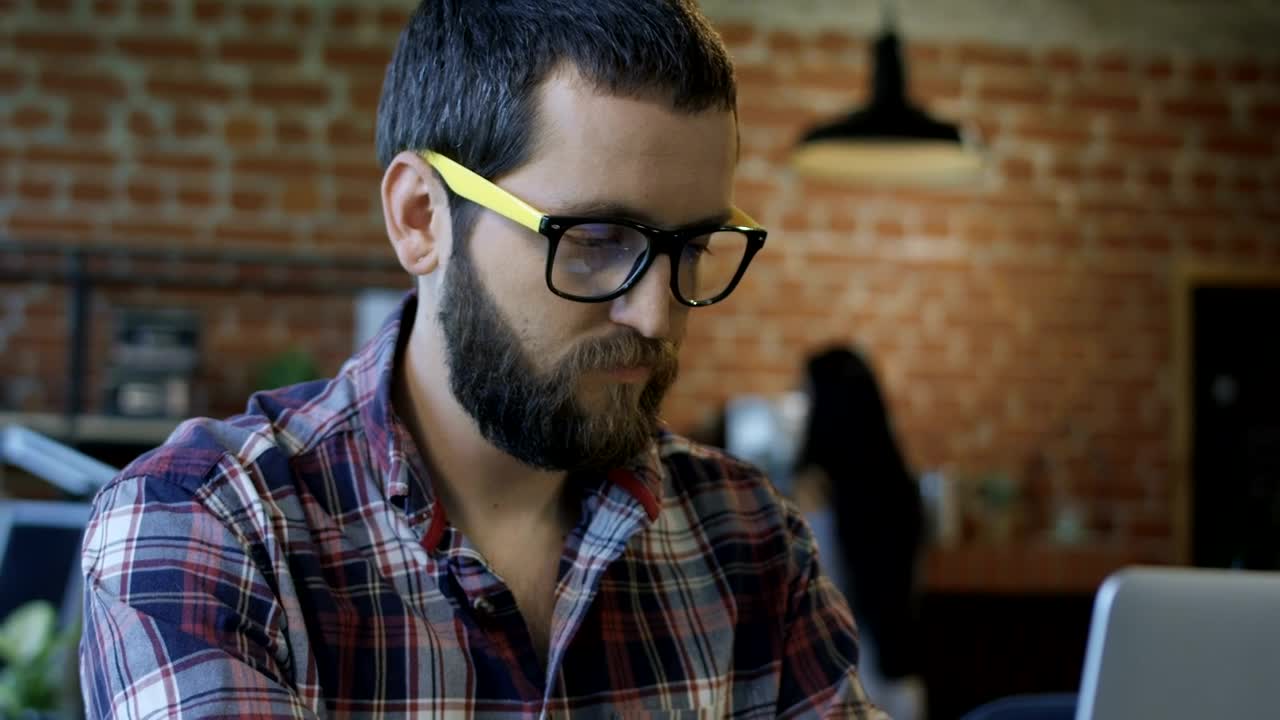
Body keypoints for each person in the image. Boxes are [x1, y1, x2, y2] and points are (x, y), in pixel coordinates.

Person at [78, 2, 888, 717]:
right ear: (420, 217)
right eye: (596, 243)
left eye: (693, 247)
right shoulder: (208, 528)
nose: (658, 314)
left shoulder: (748, 541)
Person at [793, 347, 927, 720]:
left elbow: (815, 591)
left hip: (836, 684)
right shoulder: (899, 484)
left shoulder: (815, 488)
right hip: (899, 675)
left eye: (805, 397)